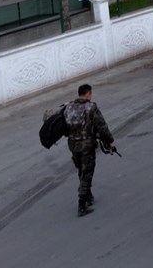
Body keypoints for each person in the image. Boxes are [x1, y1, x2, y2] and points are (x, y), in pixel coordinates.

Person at [64, 83, 115, 217]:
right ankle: (81, 205)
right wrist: (110, 141)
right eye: (90, 94)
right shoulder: (91, 107)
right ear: (87, 94)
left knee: (82, 170)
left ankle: (88, 195)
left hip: (73, 146)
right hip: (87, 145)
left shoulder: (68, 107)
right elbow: (102, 126)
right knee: (87, 172)